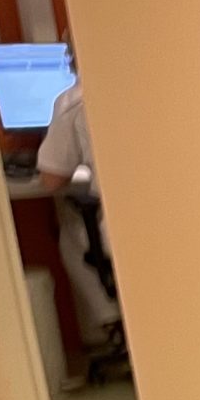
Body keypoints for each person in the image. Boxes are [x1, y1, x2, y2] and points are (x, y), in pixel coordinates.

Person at [35, 78, 123, 345]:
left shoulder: (73, 101)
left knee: (71, 233)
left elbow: (52, 180)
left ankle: (113, 322)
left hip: (122, 232)